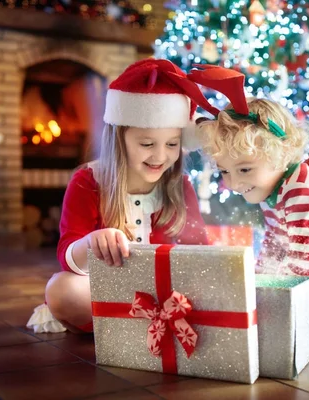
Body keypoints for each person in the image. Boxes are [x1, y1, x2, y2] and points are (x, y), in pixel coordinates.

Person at [27, 59, 216, 334]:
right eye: (147, 144)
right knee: (61, 288)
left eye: (172, 144)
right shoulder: (88, 181)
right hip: (109, 289)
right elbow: (67, 257)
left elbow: (201, 250)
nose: (161, 156)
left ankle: (138, 326)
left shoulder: (180, 186)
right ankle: (148, 326)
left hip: (164, 291)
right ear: (119, 139)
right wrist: (90, 243)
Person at [191, 67, 309, 335]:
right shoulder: (272, 192)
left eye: (244, 169)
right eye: (225, 171)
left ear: (280, 155)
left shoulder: (304, 189)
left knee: (283, 315)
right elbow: (273, 247)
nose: (233, 184)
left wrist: (254, 299)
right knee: (265, 307)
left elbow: (300, 271)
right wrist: (253, 284)